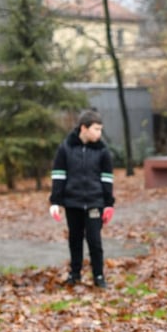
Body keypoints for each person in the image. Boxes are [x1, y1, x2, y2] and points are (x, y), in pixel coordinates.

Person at [48, 109, 115, 288]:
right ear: (84, 128)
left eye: (101, 129)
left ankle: (99, 276)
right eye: (96, 129)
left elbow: (107, 178)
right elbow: (59, 175)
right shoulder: (66, 148)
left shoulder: (102, 150)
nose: (99, 134)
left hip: (95, 202)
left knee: (94, 240)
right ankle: (75, 274)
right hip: (73, 203)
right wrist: (55, 201)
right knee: (75, 239)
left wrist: (109, 204)